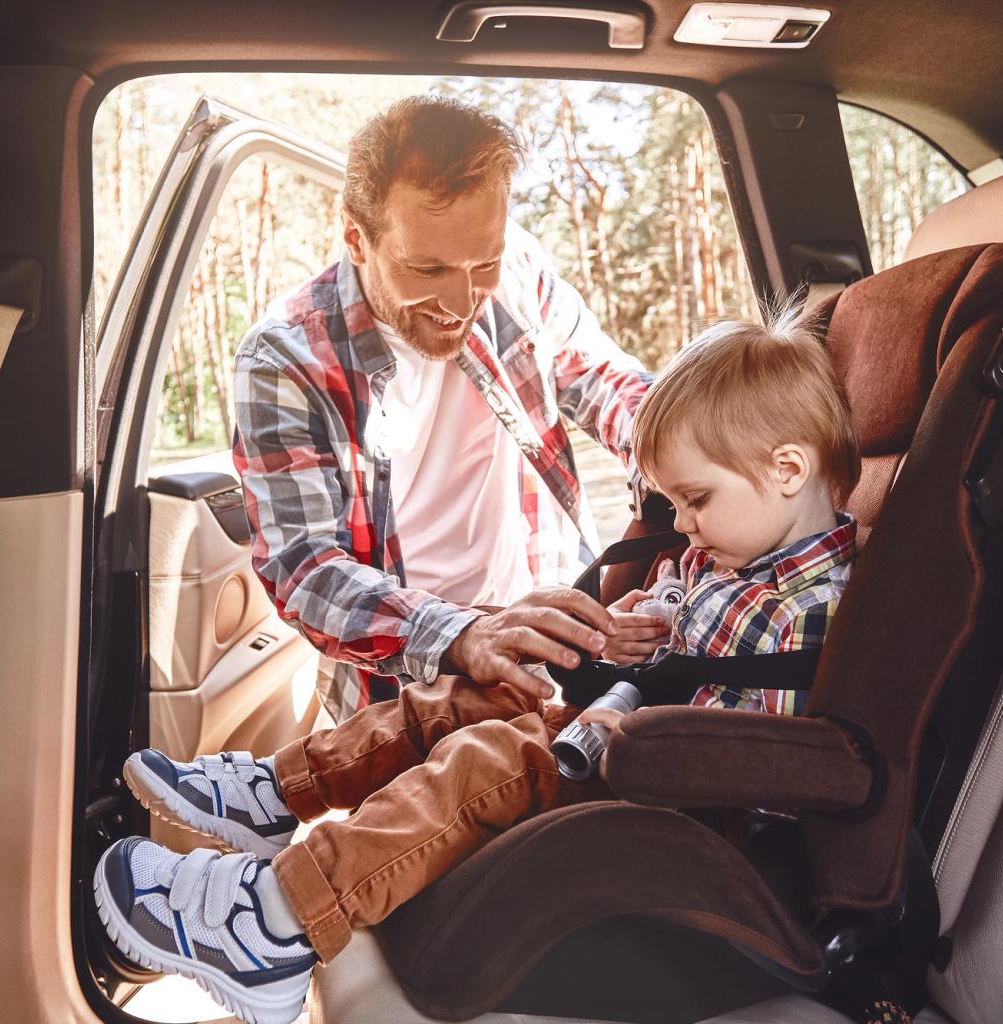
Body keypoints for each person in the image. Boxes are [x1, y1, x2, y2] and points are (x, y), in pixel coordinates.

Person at [92, 303, 863, 1024]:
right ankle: (279, 792)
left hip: (685, 789)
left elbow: (753, 744)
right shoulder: (733, 557)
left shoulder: (810, 605)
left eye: (695, 500)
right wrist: (636, 628)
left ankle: (276, 921)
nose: (684, 528)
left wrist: (644, 708)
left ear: (789, 470)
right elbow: (683, 616)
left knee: (488, 757)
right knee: (464, 696)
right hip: (620, 728)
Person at [231, 95, 659, 724]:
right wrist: (462, 636)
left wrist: (683, 449)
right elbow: (304, 569)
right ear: (356, 235)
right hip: (400, 682)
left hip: (552, 642)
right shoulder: (283, 358)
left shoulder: (517, 273)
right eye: (425, 266)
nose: (462, 301)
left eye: (481, 261)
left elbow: (606, 382)